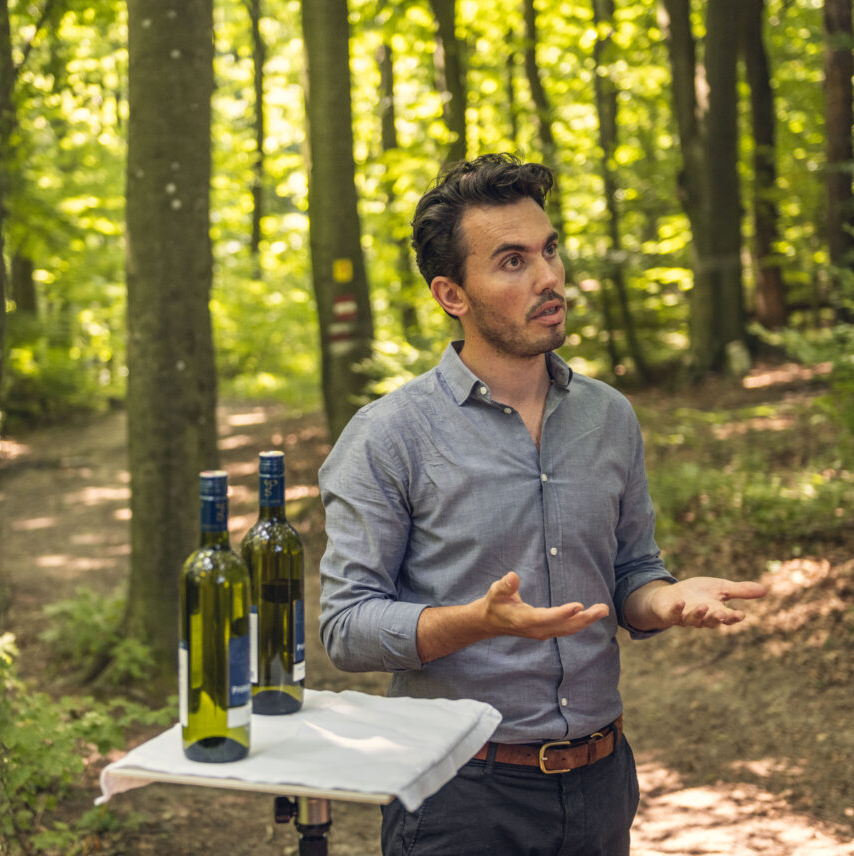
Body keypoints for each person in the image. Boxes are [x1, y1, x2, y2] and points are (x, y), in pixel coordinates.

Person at [317, 153, 767, 856]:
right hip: (457, 795)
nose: (549, 276)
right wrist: (476, 621)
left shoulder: (609, 417)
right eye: (512, 261)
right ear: (452, 295)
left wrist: (667, 600)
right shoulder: (387, 438)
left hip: (599, 782)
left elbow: (631, 574)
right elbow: (346, 627)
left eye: (549, 250)